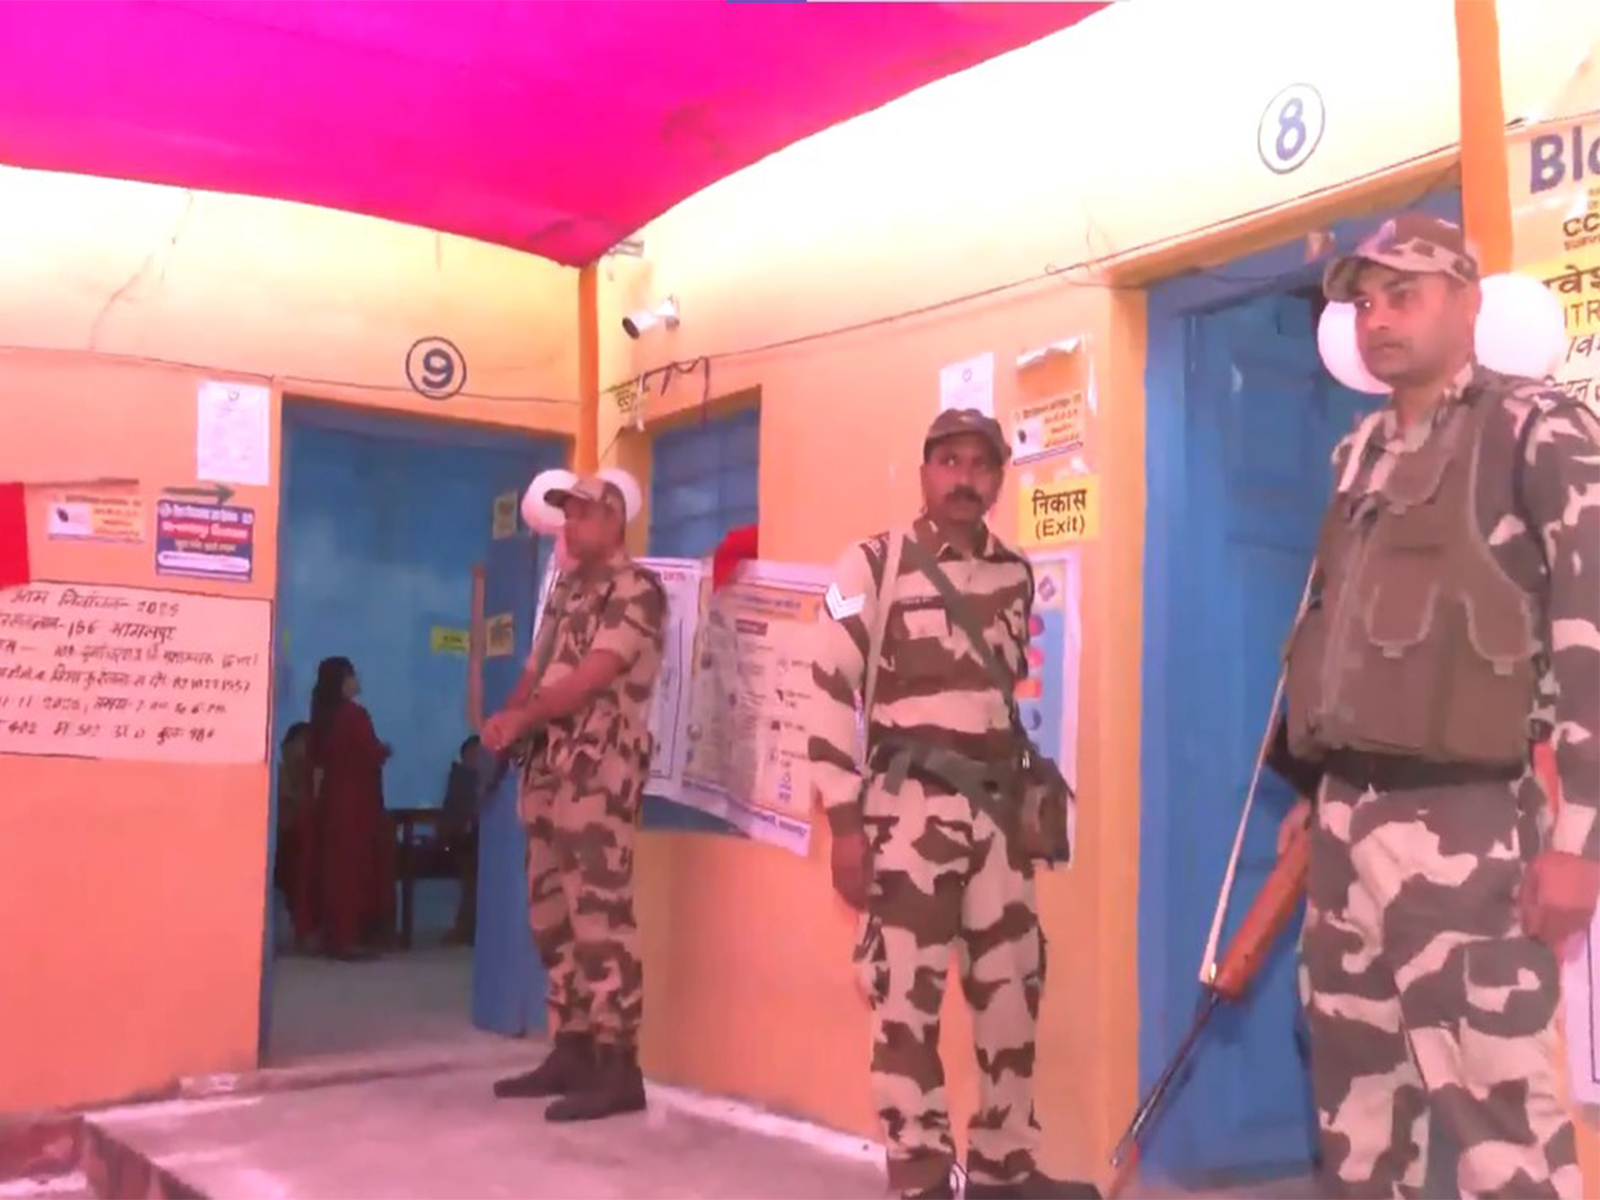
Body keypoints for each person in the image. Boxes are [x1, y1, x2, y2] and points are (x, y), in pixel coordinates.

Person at [1276, 213, 1600, 1199]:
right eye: (1364, 301)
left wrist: (1578, 841)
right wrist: (1311, 791)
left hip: (1468, 824)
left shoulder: (1535, 426)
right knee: (1357, 1120)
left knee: (1497, 1123)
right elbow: (1330, 630)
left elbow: (1592, 631)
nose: (1377, 318)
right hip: (1345, 830)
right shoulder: (1356, 455)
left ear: (1467, 303)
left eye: (1402, 295)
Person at [809, 408, 1089, 1200]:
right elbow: (828, 689)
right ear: (925, 471)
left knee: (1012, 992)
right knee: (906, 1002)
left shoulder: (1013, 572)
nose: (965, 478)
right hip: (907, 816)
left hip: (996, 818)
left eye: (981, 465)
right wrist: (843, 822)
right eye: (950, 462)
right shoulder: (869, 566)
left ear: (998, 478)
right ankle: (922, 1175)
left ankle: (1005, 1169)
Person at [481, 471, 667, 1123]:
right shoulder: (567, 589)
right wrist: (503, 726)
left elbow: (592, 678)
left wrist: (524, 719)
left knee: (600, 917)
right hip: (550, 766)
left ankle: (619, 1066)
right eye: (566, 514)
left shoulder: (636, 590)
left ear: (614, 520)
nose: (570, 524)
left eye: (582, 513)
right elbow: (536, 669)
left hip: (600, 770)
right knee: (550, 913)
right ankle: (573, 1047)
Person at [308, 655, 393, 961]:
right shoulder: (355, 715)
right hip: (356, 802)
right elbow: (368, 753)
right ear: (344, 682)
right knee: (354, 868)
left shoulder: (322, 716)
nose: (358, 680)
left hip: (332, 800)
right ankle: (348, 938)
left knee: (335, 868)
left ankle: (335, 935)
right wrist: (384, 750)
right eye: (353, 675)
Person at [441, 733, 502, 945]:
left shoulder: (492, 780)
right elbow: (454, 815)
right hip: (463, 841)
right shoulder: (461, 779)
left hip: (487, 842)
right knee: (472, 873)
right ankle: (465, 928)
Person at [274, 722, 315, 952]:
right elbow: (288, 807)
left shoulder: (311, 773)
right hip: (284, 841)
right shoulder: (280, 773)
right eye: (301, 744)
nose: (304, 750)